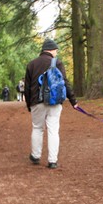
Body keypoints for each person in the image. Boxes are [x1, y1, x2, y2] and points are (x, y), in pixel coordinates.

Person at [24, 38, 77, 169]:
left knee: (37, 128)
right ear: (51, 50)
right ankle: (52, 161)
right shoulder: (57, 63)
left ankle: (36, 156)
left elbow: (26, 87)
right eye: (56, 50)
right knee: (53, 130)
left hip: (37, 102)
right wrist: (73, 101)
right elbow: (64, 82)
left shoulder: (32, 64)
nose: (56, 53)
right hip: (55, 102)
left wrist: (29, 104)